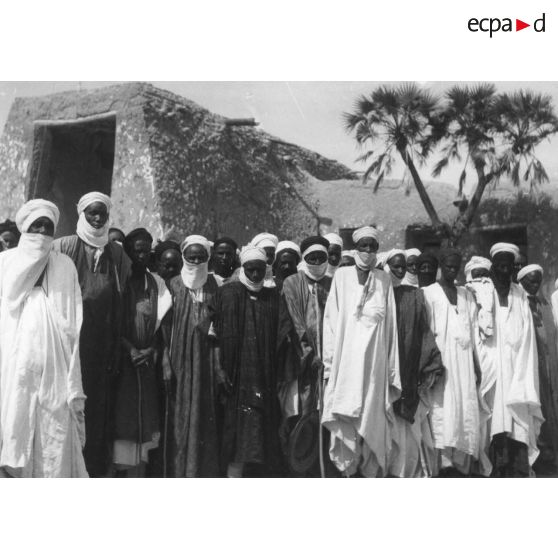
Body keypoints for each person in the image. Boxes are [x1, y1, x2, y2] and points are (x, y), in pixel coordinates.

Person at [0, 200, 86, 477]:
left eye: (47, 227)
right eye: (36, 226)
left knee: (54, 424)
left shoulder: (64, 265)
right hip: (12, 362)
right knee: (14, 417)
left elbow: (73, 315)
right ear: (25, 227)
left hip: (55, 364)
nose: (41, 232)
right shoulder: (5, 263)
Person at [54, 191, 131, 477]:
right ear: (82, 214)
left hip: (102, 345)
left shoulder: (116, 254)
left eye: (102, 213)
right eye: (92, 213)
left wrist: (114, 348)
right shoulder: (63, 246)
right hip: (70, 343)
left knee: (96, 410)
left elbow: (119, 300)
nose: (97, 218)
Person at [321, 226, 401, 477]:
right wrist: (329, 366)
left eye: (372, 246)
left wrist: (391, 370)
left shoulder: (384, 280)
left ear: (377, 249)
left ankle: (369, 473)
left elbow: (390, 327)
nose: (367, 251)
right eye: (363, 246)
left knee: (372, 417)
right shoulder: (342, 277)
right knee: (346, 415)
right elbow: (331, 322)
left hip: (375, 365)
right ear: (355, 248)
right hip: (345, 363)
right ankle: (349, 472)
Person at [215, 245, 290, 477]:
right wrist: (219, 369)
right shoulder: (227, 293)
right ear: (243, 268)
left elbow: (283, 335)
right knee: (235, 436)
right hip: (235, 379)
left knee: (263, 435)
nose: (255, 275)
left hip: (264, 378)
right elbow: (212, 334)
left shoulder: (273, 298)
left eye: (259, 270)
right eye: (250, 269)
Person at [158, 234, 222, 477]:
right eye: (191, 257)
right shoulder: (172, 286)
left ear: (208, 258)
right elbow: (163, 327)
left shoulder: (215, 286)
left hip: (206, 361)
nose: (196, 261)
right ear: (183, 257)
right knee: (178, 417)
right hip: (178, 361)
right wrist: (165, 361)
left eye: (201, 257)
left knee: (204, 415)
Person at [479, 243, 542, 477]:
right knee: (493, 418)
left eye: (508, 266)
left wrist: (523, 369)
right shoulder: (482, 292)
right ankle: (495, 469)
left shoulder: (519, 294)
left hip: (517, 368)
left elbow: (527, 335)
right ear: (493, 266)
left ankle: (517, 469)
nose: (504, 270)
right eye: (500, 266)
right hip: (491, 369)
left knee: (518, 419)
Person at [113, 228, 172, 477]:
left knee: (144, 426)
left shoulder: (156, 284)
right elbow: (111, 322)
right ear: (128, 252)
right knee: (121, 422)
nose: (142, 256)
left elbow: (161, 324)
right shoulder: (118, 281)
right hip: (122, 361)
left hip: (146, 362)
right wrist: (130, 349)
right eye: (137, 251)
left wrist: (150, 349)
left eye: (146, 251)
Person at [422, 249, 483, 476]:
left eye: (455, 267)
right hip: (442, 361)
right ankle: (443, 463)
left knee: (464, 406)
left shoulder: (466, 295)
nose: (452, 271)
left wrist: (476, 363)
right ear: (441, 266)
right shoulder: (428, 293)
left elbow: (473, 330)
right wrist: (431, 364)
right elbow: (426, 332)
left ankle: (460, 462)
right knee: (442, 408)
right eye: (448, 266)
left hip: (464, 362)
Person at [279, 236, 331, 472]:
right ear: (304, 258)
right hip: (301, 361)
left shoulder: (332, 284)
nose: (317, 262)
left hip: (328, 362)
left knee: (325, 413)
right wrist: (310, 354)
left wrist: (328, 356)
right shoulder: (292, 283)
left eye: (321, 258)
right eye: (312, 258)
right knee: (298, 411)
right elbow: (296, 322)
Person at [389, 264, 445, 478]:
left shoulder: (414, 296)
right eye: (394, 266)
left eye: (403, 266)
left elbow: (423, 330)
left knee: (413, 430)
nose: (400, 270)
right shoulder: (381, 295)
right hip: (388, 369)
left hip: (411, 367)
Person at [517, 264, 558, 475]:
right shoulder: (519, 304)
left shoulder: (544, 303)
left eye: (537, 281)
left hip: (550, 364)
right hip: (531, 364)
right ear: (522, 282)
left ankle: (551, 452)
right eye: (530, 281)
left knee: (551, 405)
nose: (535, 285)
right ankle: (538, 454)